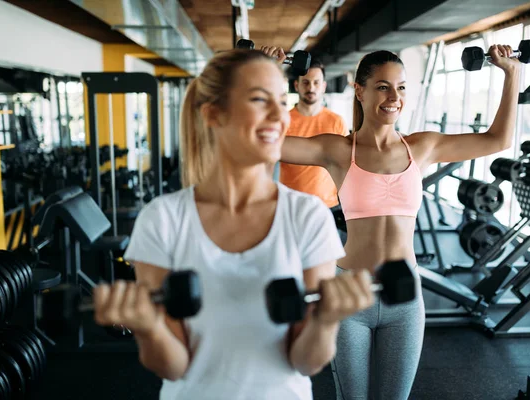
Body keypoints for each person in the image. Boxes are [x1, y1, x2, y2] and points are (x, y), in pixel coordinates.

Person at [91, 49, 376, 400]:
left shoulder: (308, 217)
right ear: (214, 114)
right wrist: (148, 327)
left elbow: (305, 362)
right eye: (259, 100)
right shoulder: (162, 219)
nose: (280, 116)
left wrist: (327, 320)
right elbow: (173, 367)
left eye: (280, 99)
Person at [266, 44, 520, 400]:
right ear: (360, 90)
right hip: (351, 296)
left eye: (401, 87)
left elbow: (499, 139)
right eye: (383, 86)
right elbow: (262, 142)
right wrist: (265, 75)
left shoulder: (422, 146)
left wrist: (512, 73)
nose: (393, 97)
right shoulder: (338, 150)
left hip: (405, 301)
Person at [274, 53, 349, 209]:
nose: (311, 88)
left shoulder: (337, 121)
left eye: (316, 82)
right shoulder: (283, 121)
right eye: (306, 82)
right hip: (291, 205)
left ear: (323, 86)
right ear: (296, 86)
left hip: (329, 206)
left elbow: (344, 165)